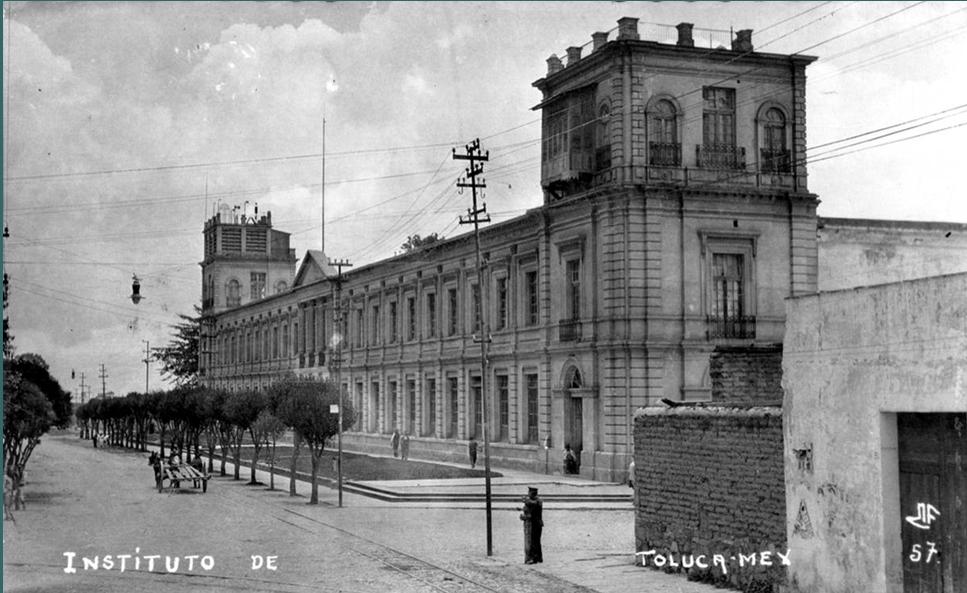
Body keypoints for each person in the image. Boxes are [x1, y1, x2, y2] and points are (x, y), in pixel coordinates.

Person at [520, 486, 544, 564]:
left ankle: (533, 558)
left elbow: (531, 509)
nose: (528, 494)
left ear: (531, 493)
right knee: (537, 541)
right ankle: (539, 557)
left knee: (533, 541)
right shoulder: (538, 500)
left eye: (529, 492)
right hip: (539, 523)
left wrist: (524, 517)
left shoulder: (535, 502)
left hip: (534, 523)